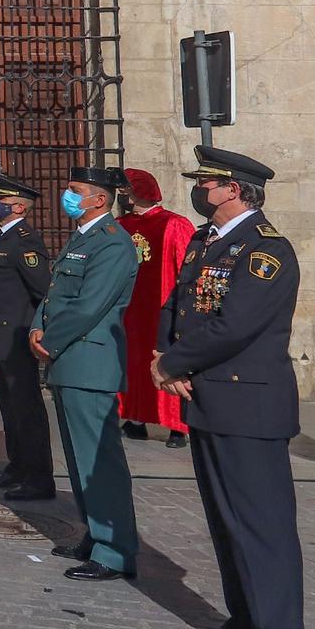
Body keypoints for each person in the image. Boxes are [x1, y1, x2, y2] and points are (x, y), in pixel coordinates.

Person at [154, 145, 311, 629]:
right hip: (208, 400)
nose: (200, 190)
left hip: (249, 406)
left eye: (208, 183)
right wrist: (164, 357)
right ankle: (245, 625)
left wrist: (171, 362)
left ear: (234, 190)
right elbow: (176, 305)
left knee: (262, 529)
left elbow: (236, 324)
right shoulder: (207, 241)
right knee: (226, 524)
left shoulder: (265, 251)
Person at [30, 164, 138, 583]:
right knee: (78, 459)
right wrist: (37, 325)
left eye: (75, 190)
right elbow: (56, 293)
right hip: (68, 360)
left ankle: (115, 551)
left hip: (89, 362)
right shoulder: (83, 238)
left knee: (99, 461)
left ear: (99, 199)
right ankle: (94, 535)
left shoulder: (112, 244)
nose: (67, 195)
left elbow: (90, 304)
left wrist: (49, 341)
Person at [0, 174, 53, 501]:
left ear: (19, 207)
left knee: (26, 408)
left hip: (16, 335)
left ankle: (38, 477)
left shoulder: (24, 240)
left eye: (2, 201)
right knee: (9, 407)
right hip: (0, 335)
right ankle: (17, 466)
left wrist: (39, 330)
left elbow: (42, 290)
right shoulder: (0, 238)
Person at [117, 167, 195, 449]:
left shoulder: (173, 224)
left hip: (160, 306)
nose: (124, 195)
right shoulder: (121, 224)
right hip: (130, 308)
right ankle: (135, 418)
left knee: (164, 360)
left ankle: (177, 426)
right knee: (133, 363)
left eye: (129, 189)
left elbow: (186, 268)